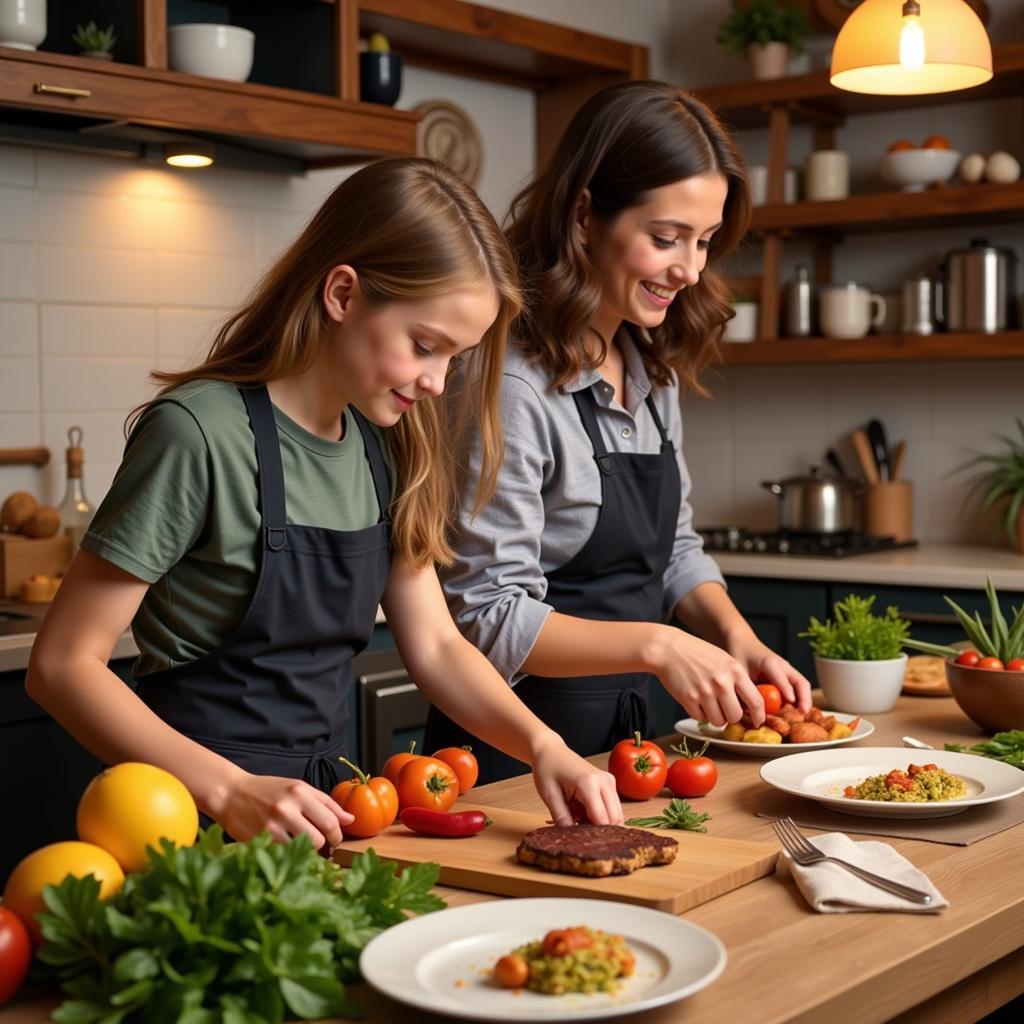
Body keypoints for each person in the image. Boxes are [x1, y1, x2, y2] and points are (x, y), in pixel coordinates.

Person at [27, 158, 622, 847]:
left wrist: (541, 743)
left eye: (454, 358)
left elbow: (433, 644)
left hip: (326, 821)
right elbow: (62, 665)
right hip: (183, 827)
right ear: (343, 293)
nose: (436, 382)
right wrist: (230, 790)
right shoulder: (199, 434)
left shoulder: (386, 445)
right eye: (425, 346)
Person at [424, 82, 812, 784]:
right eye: (666, 238)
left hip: (628, 748)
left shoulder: (649, 363)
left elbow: (675, 550)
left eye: (704, 242)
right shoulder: (510, 380)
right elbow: (486, 613)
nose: (690, 270)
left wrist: (736, 637)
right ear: (583, 215)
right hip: (513, 760)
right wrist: (660, 646)